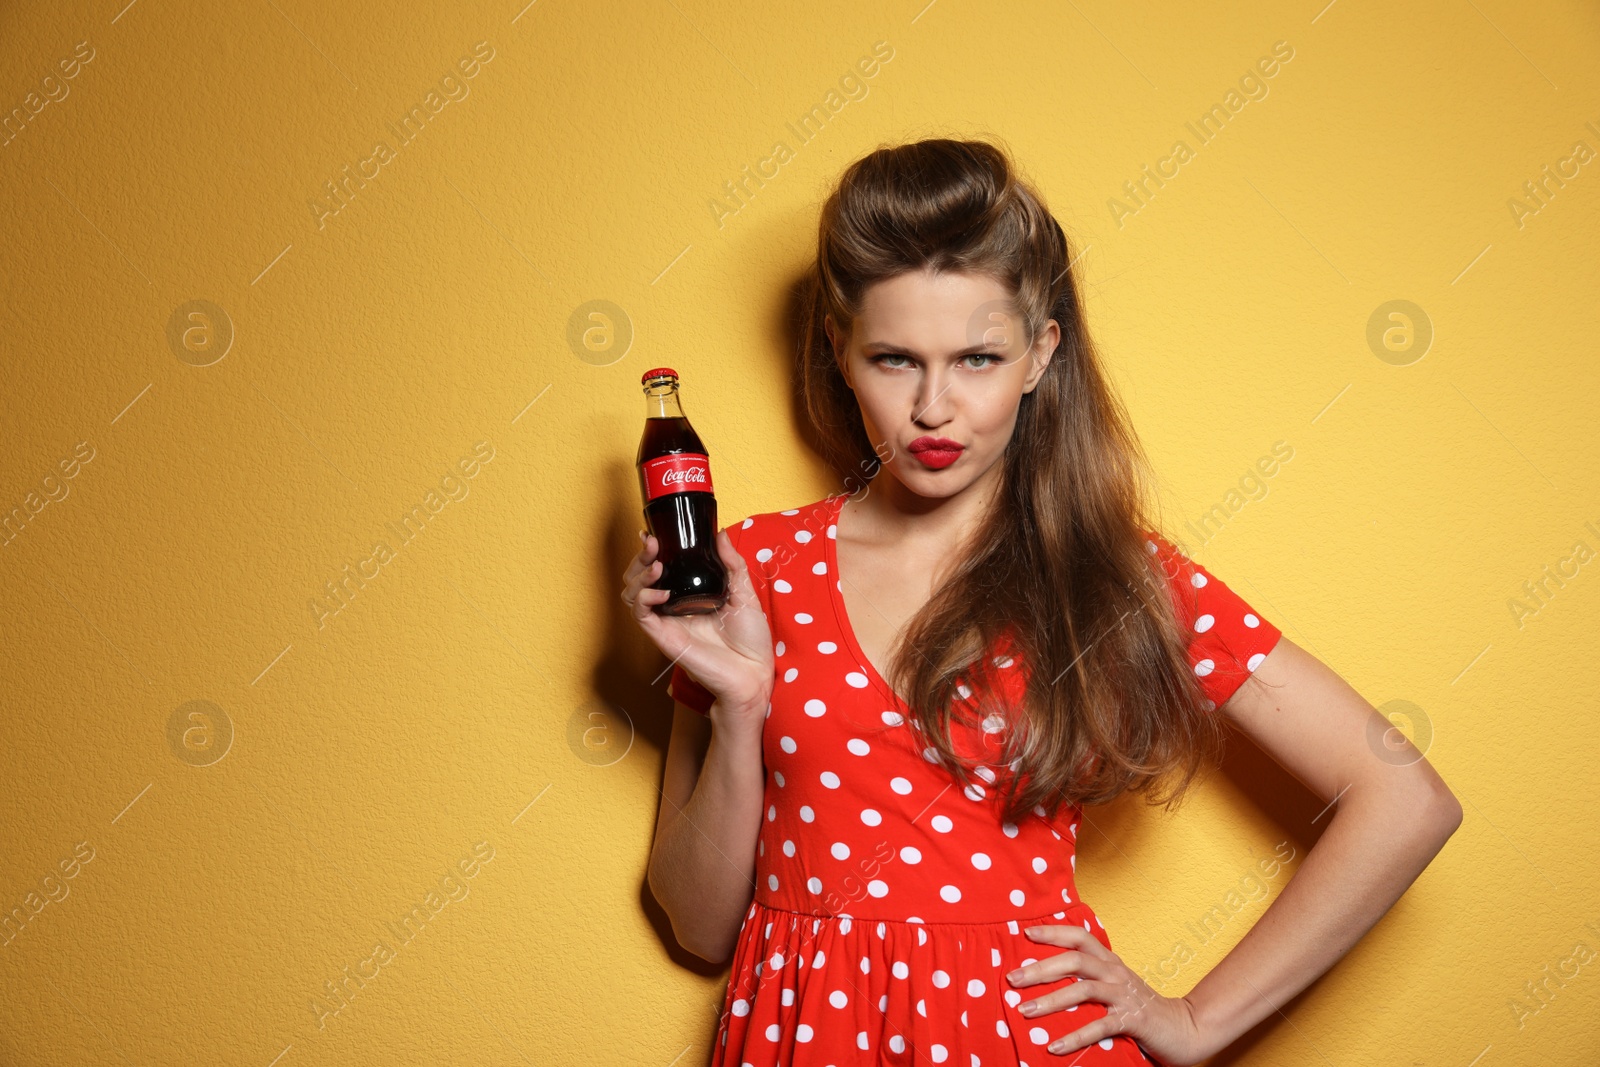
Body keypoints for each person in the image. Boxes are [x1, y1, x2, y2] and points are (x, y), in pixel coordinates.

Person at [624, 138, 1461, 1066]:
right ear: (839, 349)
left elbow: (1402, 797)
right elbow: (699, 928)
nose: (935, 407)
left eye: (978, 358)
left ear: (1039, 353)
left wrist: (1195, 1022)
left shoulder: (1111, 573)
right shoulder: (753, 570)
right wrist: (742, 703)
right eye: (896, 359)